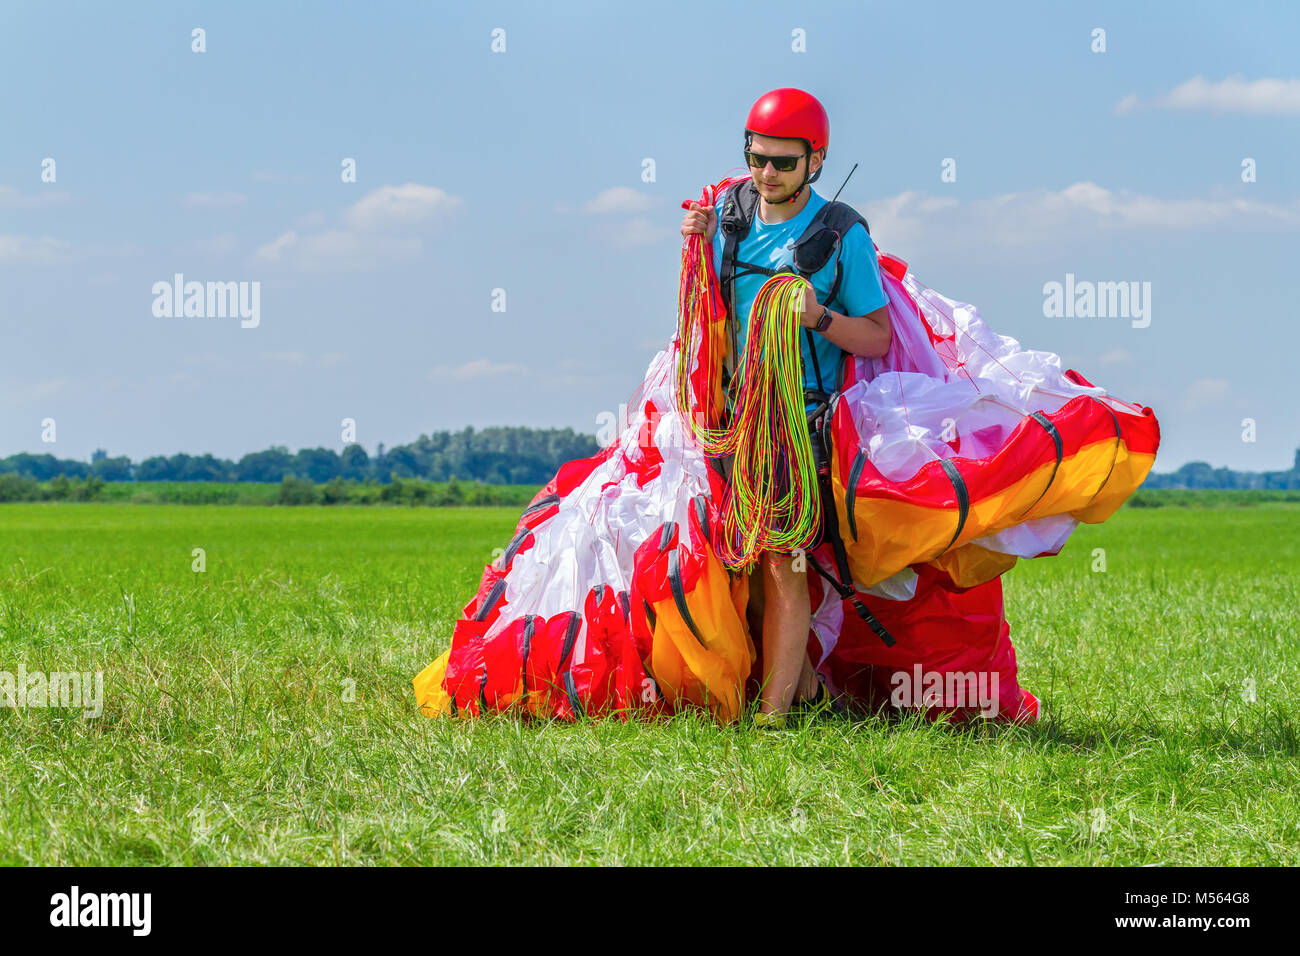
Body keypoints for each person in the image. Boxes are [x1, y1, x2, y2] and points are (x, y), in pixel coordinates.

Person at [679, 88, 892, 725]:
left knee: (783, 562)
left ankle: (772, 720)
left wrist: (816, 315)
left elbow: (877, 335)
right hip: (728, 417)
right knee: (738, 559)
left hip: (798, 422)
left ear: (816, 162)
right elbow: (707, 310)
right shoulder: (730, 214)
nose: (765, 174)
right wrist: (694, 244)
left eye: (782, 163)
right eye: (756, 158)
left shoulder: (841, 234)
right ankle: (804, 694)